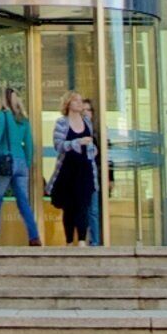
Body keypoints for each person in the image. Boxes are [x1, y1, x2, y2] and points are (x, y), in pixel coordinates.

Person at [0, 85, 41, 246]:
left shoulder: (3, 115)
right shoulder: (23, 120)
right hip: (21, 163)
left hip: (5, 161)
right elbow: (29, 145)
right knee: (23, 202)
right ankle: (34, 237)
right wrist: (26, 164)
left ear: (2, 100)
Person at [48, 92, 104, 246]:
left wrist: (92, 148)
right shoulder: (61, 123)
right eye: (76, 100)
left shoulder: (87, 121)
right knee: (69, 207)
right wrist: (77, 142)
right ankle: (68, 240)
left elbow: (90, 142)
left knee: (84, 204)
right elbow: (58, 146)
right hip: (68, 170)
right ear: (68, 104)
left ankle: (81, 240)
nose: (80, 103)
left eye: (80, 100)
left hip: (85, 169)